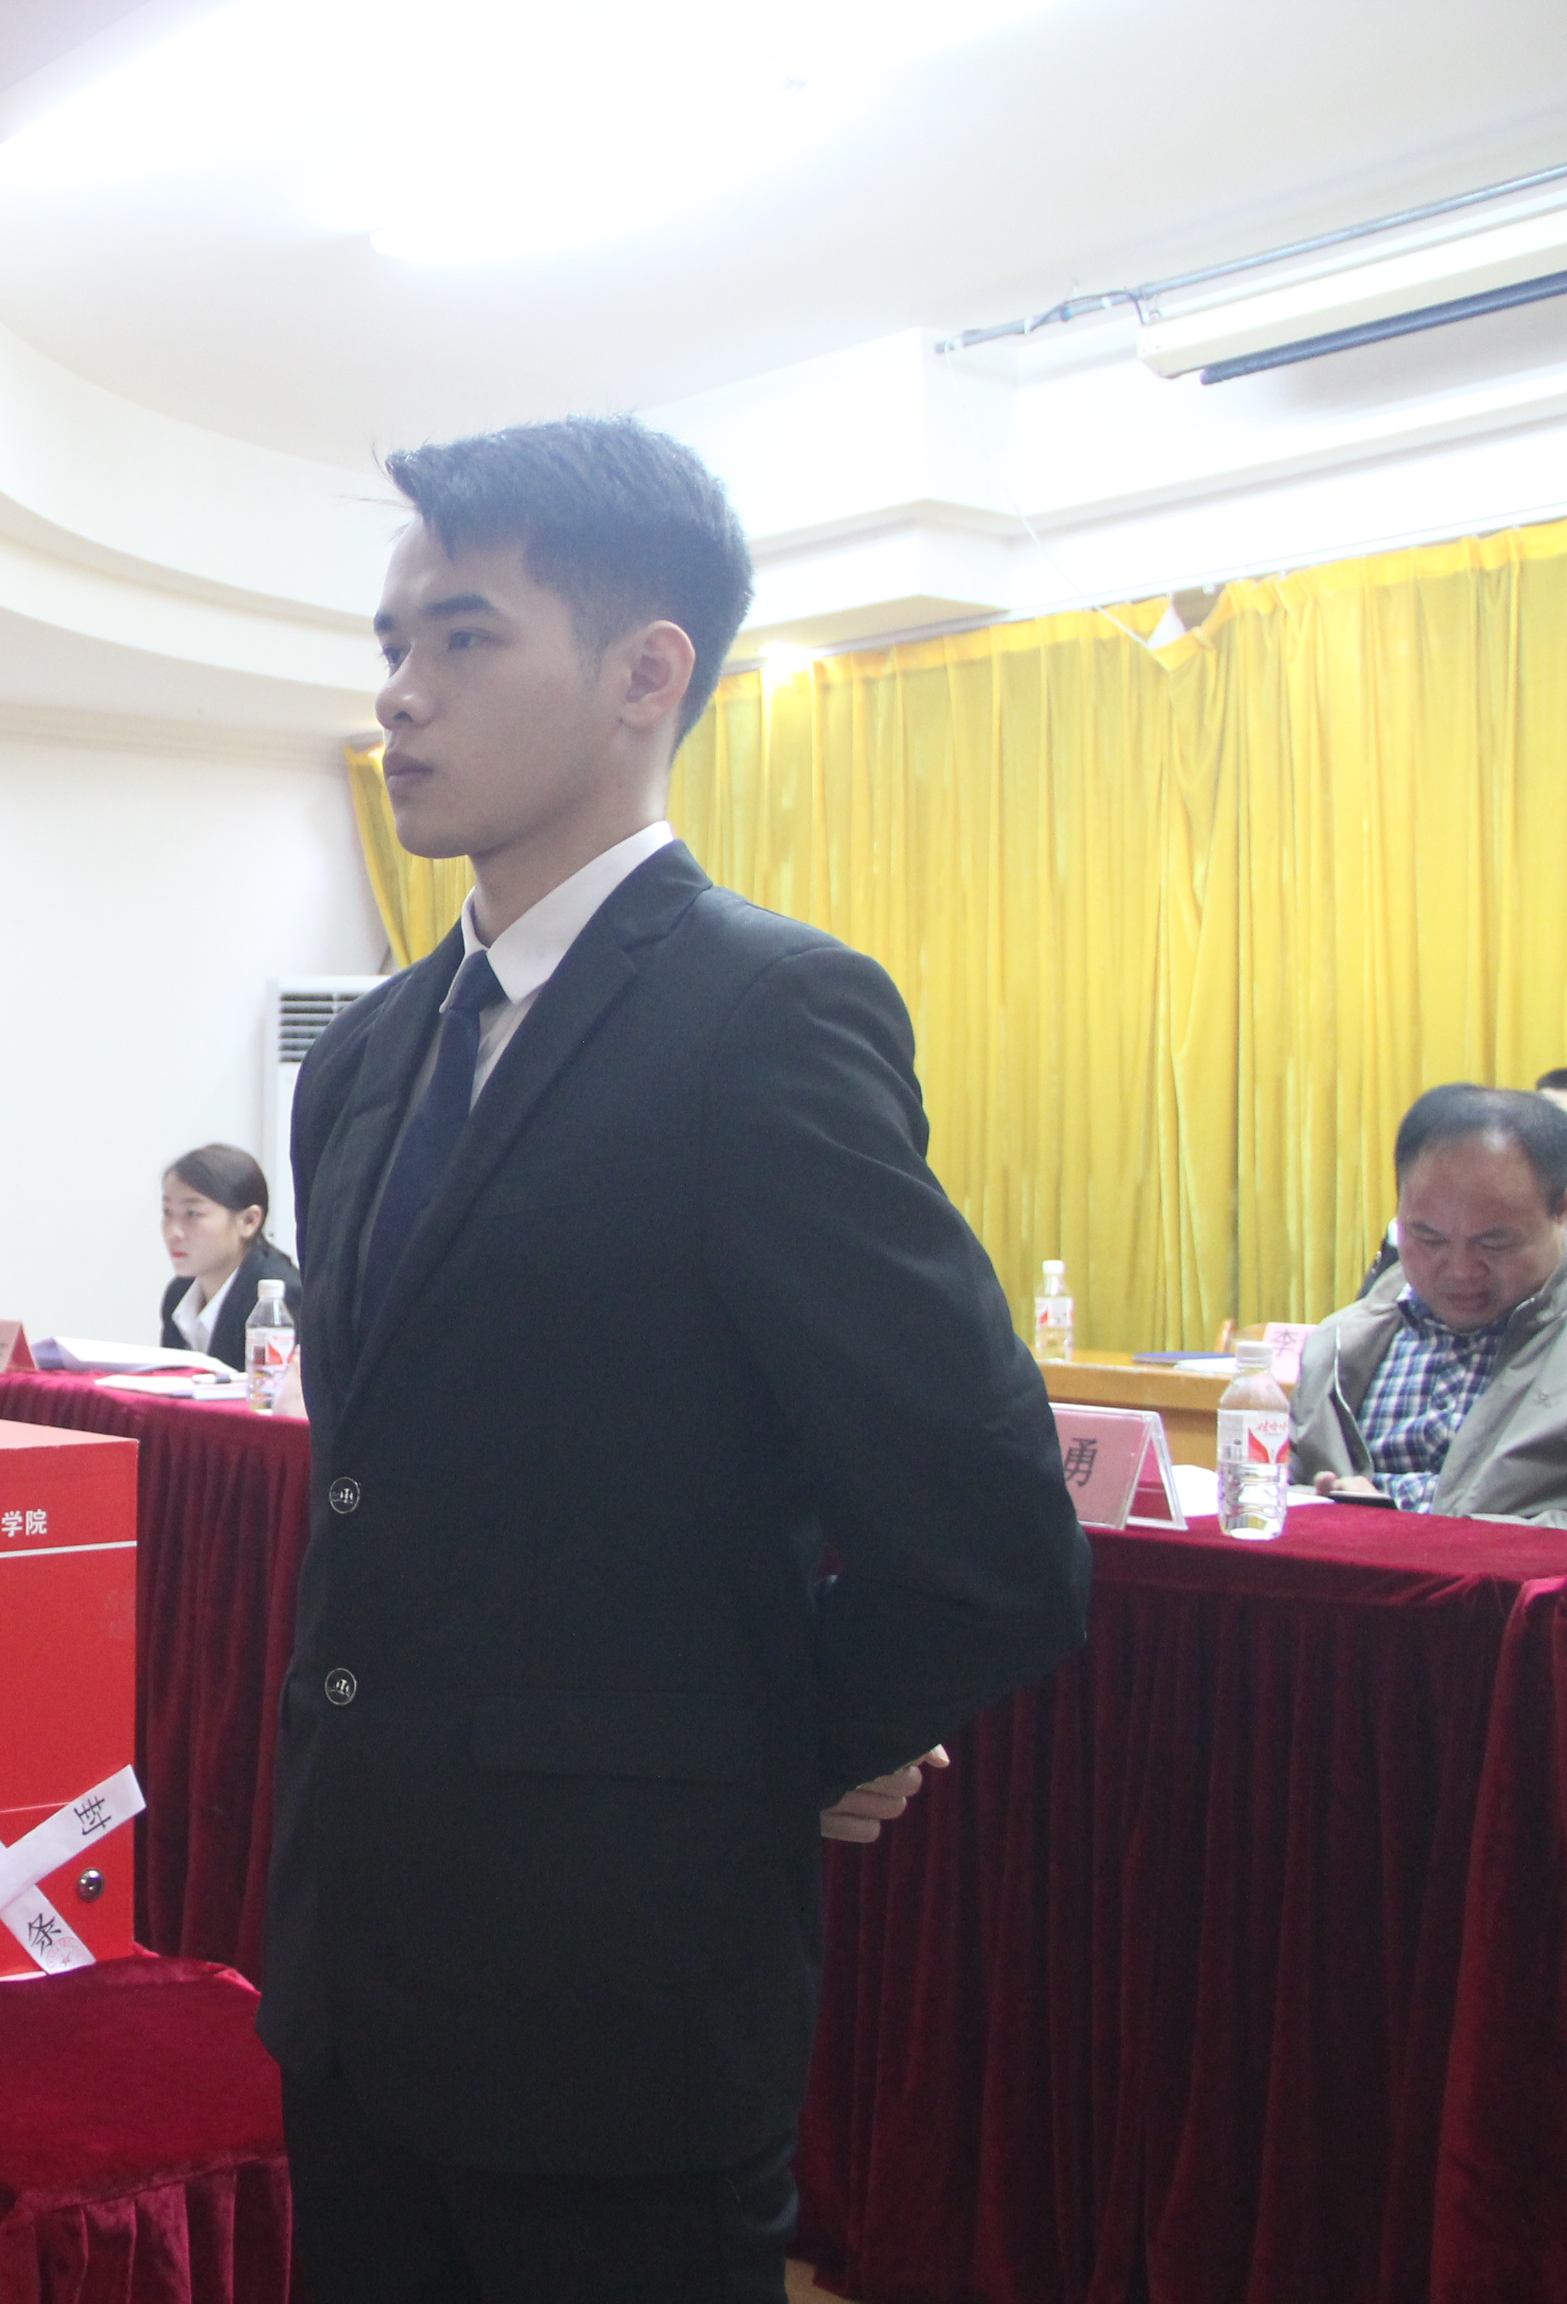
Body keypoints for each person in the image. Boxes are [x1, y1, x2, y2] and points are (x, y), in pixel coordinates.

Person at [266, 417, 1091, 2302]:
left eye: (463, 637)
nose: (399, 693)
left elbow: (988, 1539)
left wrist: (764, 1747)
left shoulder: (764, 1016)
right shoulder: (368, 1054)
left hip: (615, 2000)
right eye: (390, 642)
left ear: (648, 673)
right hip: (354, 1964)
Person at [1293, 1083, 1567, 1521]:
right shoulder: (1340, 1343)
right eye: (1429, 1238)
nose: (1460, 1269)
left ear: (1561, 1211)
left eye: (1493, 1243)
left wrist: (1408, 1532)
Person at [157, 1143, 305, 1369]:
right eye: (167, 1212)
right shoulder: (178, 1294)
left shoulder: (279, 1299)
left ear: (249, 1221)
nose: (174, 1232)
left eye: (192, 1213)